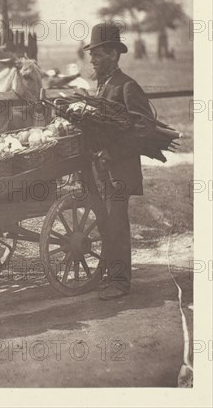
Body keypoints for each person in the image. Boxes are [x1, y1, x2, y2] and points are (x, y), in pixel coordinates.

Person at [83, 23, 154, 301]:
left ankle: (121, 282)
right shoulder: (103, 85)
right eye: (92, 54)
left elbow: (143, 129)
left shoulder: (127, 86)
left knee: (116, 224)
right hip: (101, 169)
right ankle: (112, 275)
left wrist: (111, 154)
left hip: (118, 169)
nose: (92, 59)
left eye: (98, 54)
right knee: (106, 224)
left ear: (113, 54)